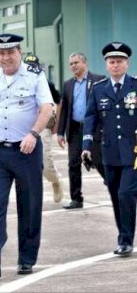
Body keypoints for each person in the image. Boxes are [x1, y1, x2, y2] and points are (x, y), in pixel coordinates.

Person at [0, 33, 53, 278]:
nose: (6, 57)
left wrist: (33, 133)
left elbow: (47, 108)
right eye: (1, 53)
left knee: (28, 206)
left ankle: (26, 259)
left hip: (26, 150)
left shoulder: (35, 75)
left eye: (10, 52)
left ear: (19, 52)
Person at [82, 42, 137, 257]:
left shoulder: (135, 85)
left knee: (125, 194)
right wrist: (86, 146)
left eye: (120, 61)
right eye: (112, 62)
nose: (116, 65)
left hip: (134, 152)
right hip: (109, 151)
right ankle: (124, 233)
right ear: (106, 65)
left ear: (127, 63)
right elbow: (90, 119)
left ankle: (125, 240)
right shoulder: (98, 89)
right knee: (116, 196)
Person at [57, 53, 106, 209]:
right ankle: (77, 199)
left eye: (76, 62)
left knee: (99, 161)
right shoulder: (67, 85)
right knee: (73, 164)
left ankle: (117, 187)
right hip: (75, 129)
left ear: (84, 63)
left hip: (94, 129)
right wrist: (60, 132)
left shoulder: (99, 80)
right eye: (71, 63)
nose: (73, 66)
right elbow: (64, 110)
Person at [24, 54, 64, 203]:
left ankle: (56, 181)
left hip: (43, 128)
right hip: (23, 129)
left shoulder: (47, 83)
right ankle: (32, 199)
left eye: (34, 67)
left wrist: (56, 124)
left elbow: (59, 102)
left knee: (46, 164)